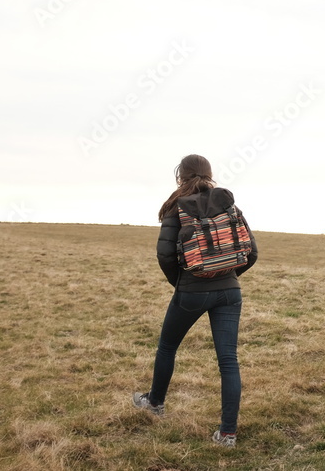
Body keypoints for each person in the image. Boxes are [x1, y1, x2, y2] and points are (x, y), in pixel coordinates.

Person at [133, 154, 257, 448]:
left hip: (190, 292)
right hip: (230, 292)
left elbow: (165, 255)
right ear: (210, 175)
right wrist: (227, 275)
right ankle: (228, 433)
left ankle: (155, 403)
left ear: (181, 177)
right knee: (228, 361)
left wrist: (183, 282)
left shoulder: (177, 207)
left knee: (167, 347)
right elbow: (251, 252)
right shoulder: (229, 205)